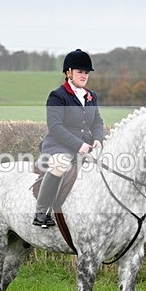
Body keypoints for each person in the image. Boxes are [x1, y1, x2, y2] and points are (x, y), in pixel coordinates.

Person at [34, 49, 104, 228]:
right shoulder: (57, 96)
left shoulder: (91, 96)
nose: (84, 76)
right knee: (61, 164)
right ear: (68, 73)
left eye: (86, 72)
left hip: (86, 145)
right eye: (80, 72)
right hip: (59, 145)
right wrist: (78, 144)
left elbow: (97, 120)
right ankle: (41, 212)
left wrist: (97, 139)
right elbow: (55, 127)